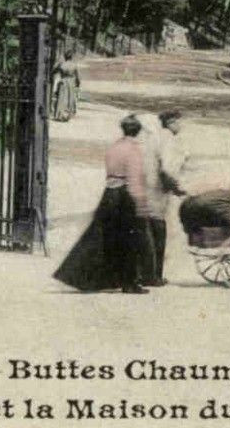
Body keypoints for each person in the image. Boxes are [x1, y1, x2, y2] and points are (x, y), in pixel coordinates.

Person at [52, 115, 155, 293]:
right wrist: (140, 202)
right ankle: (129, 283)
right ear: (137, 132)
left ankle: (87, 278)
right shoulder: (133, 150)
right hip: (125, 196)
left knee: (103, 237)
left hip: (109, 194)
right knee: (130, 241)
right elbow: (134, 178)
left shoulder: (115, 147)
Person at [140, 109, 189, 287]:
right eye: (179, 121)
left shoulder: (155, 136)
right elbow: (167, 169)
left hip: (147, 189)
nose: (181, 125)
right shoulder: (168, 139)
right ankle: (153, 276)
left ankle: (147, 274)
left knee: (148, 232)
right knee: (157, 234)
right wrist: (177, 188)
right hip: (156, 193)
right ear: (171, 122)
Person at [51, 51, 80, 121]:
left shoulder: (61, 64)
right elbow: (77, 76)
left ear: (65, 57)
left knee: (61, 98)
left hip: (63, 81)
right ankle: (68, 115)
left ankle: (59, 115)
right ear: (71, 57)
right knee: (70, 98)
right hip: (71, 82)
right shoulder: (74, 65)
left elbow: (53, 71)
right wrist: (78, 84)